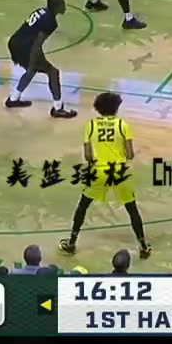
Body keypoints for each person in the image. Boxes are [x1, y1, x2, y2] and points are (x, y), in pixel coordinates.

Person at [59, 92, 152, 259]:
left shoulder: (91, 125)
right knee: (132, 209)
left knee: (83, 206)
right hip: (120, 171)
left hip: (99, 171)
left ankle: (71, 243)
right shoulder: (122, 125)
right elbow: (130, 155)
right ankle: (143, 247)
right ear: (116, 108)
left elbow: (88, 156)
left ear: (98, 108)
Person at [6, 0, 78, 118]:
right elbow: (37, 44)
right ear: (56, 7)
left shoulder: (41, 11)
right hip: (25, 47)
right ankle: (58, 108)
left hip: (15, 42)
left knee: (32, 70)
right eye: (62, 5)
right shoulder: (50, 22)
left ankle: (13, 99)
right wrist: (32, 62)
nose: (65, 7)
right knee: (53, 72)